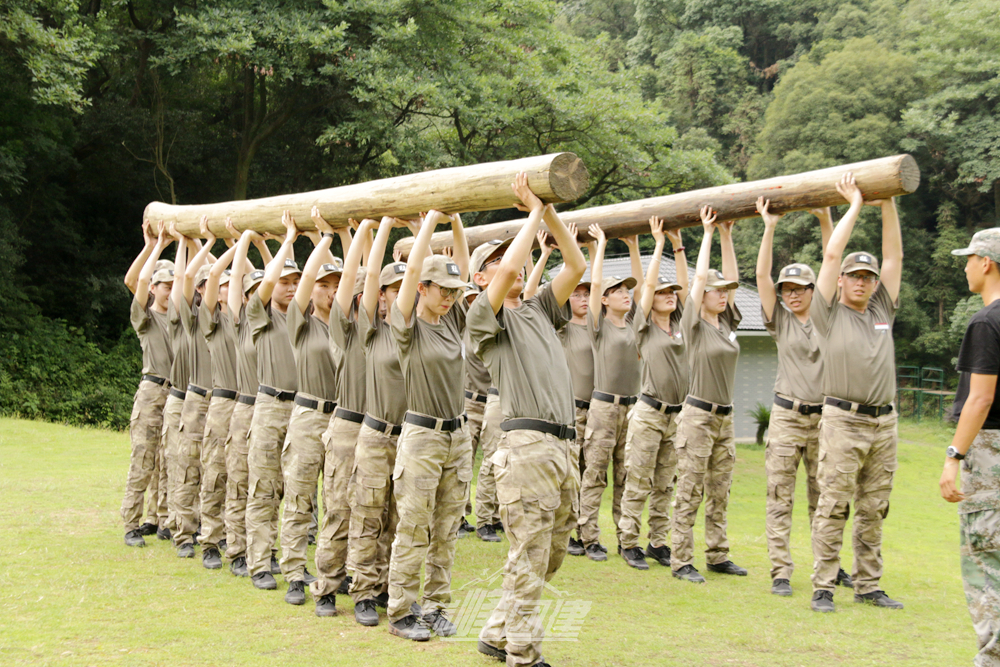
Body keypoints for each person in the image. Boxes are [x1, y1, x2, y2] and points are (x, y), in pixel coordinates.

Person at [469, 173, 586, 666]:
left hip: (564, 446)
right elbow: (508, 270)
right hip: (527, 448)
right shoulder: (482, 317)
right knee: (530, 553)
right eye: (491, 264)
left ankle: (497, 630)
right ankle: (522, 651)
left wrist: (549, 211)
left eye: (505, 259)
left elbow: (576, 264)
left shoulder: (539, 308)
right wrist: (533, 210)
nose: (504, 267)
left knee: (550, 554)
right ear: (479, 280)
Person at [809, 174, 904, 613]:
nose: (863, 283)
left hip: (884, 422)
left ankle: (868, 585)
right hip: (843, 420)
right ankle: (824, 586)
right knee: (833, 504)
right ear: (842, 282)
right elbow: (830, 253)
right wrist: (855, 203)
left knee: (874, 506)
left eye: (867, 277)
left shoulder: (882, 308)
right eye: (855, 277)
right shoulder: (827, 313)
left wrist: (888, 202)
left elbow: (893, 256)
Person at [755, 199, 852, 596]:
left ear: (815, 290)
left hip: (825, 419)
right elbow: (761, 275)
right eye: (787, 290)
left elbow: (835, 262)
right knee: (780, 495)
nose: (792, 295)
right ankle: (780, 571)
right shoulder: (779, 321)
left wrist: (828, 221)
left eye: (800, 289)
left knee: (823, 497)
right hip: (786, 416)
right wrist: (769, 227)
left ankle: (827, 568)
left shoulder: (830, 319)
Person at [386, 210, 472, 641]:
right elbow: (413, 271)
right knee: (414, 525)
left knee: (447, 526)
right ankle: (401, 609)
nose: (451, 297)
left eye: (455, 292)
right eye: (443, 290)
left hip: (459, 435)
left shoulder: (454, 319)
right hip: (422, 436)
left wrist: (455, 223)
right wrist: (428, 225)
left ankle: (437, 604)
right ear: (423, 287)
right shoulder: (407, 325)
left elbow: (465, 266)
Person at [670, 205, 747, 584]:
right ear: (703, 297)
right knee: (689, 488)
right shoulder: (694, 324)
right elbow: (700, 279)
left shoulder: (727, 323)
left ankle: (717, 554)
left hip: (725, 417)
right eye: (717, 292)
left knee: (720, 488)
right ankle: (682, 559)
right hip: (698, 415)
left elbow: (730, 278)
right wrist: (707, 233)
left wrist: (729, 235)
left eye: (725, 293)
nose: (723, 296)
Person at [280, 215, 350, 606]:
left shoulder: (350, 324)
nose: (329, 291)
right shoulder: (300, 322)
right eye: (325, 285)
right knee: (300, 496)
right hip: (308, 415)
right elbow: (304, 280)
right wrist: (323, 238)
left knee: (337, 500)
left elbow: (362, 272)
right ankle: (293, 570)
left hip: (340, 417)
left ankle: (332, 570)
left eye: (337, 285)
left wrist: (345, 235)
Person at [346, 215, 410, 624]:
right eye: (392, 289)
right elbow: (367, 274)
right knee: (368, 514)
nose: (398, 295)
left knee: (398, 519)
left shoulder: (422, 331)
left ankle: (388, 586)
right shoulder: (371, 329)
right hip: (375, 435)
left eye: (408, 288)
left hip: (411, 438)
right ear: (382, 295)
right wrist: (381, 224)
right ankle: (364, 592)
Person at [941, 228, 1000, 665]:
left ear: (987, 263)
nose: (964, 266)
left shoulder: (987, 321)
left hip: (990, 456)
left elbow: (980, 398)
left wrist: (954, 456)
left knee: (987, 567)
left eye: (969, 258)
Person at [617, 216, 688, 570]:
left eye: (671, 293)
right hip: (649, 413)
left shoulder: (681, 325)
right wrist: (658, 244)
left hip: (678, 415)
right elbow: (644, 287)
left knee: (666, 483)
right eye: (662, 293)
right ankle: (628, 541)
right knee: (639, 479)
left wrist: (679, 246)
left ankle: (658, 542)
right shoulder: (643, 327)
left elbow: (690, 285)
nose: (669, 297)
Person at [577, 225, 643, 561]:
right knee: (595, 475)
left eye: (625, 291)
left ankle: (627, 540)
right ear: (603, 299)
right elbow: (594, 286)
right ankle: (588, 537)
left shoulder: (634, 324)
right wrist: (600, 246)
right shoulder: (598, 325)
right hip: (603, 408)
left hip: (632, 408)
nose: (624, 295)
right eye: (617, 291)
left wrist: (634, 247)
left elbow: (642, 286)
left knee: (626, 475)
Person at [245, 211, 301, 590]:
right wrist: (284, 240)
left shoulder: (306, 315)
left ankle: (291, 561)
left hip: (300, 408)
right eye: (284, 281)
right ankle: (260, 562)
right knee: (264, 487)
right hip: (269, 406)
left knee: (296, 489)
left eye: (296, 281)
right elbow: (266, 282)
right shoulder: (260, 313)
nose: (291, 286)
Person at [223, 225, 273, 577]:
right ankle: (238, 549)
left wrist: (268, 249)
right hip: (246, 407)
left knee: (272, 488)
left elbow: (282, 277)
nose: (259, 294)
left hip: (275, 409)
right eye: (252, 291)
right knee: (242, 481)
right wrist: (241, 243)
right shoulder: (243, 319)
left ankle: (265, 551)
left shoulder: (280, 320)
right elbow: (237, 280)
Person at [121, 224, 175, 547]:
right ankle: (131, 523)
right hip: (152, 390)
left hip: (177, 392)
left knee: (169, 460)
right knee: (143, 459)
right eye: (163, 284)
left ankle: (161, 518)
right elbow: (137, 280)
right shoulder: (145, 317)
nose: (169, 289)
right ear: (153, 287)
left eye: (172, 284)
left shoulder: (182, 316)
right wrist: (154, 246)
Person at [195, 219, 241, 570]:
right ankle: (210, 539)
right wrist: (229, 246)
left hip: (247, 404)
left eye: (231, 284)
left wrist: (247, 244)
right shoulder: (211, 320)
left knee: (242, 476)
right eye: (224, 285)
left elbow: (255, 276)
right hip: (223, 401)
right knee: (215, 473)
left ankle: (236, 539)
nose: (227, 287)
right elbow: (211, 278)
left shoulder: (245, 319)